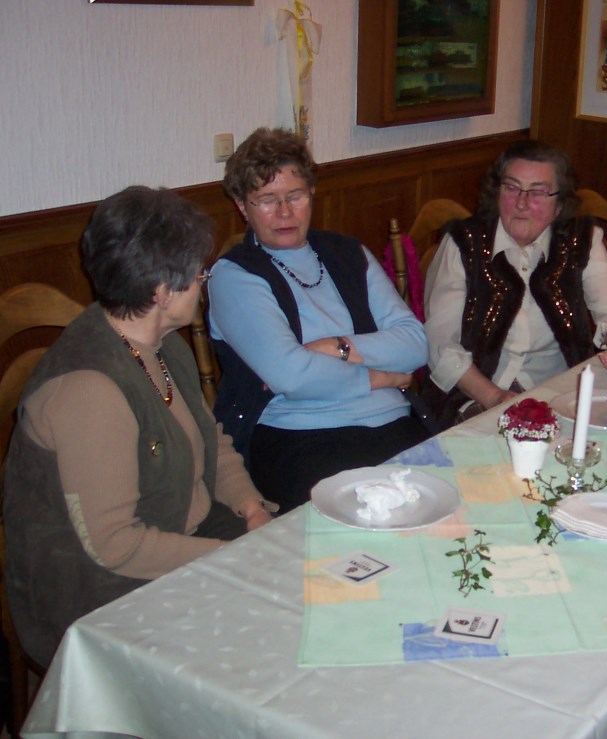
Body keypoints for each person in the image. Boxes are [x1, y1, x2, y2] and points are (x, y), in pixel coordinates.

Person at [3, 186, 274, 667]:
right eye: (198, 274)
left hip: (182, 536)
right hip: (100, 593)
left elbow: (210, 438)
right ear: (162, 293)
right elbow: (114, 545)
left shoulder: (162, 345)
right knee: (263, 642)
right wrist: (227, 555)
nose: (203, 283)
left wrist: (251, 509)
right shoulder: (90, 390)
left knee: (295, 579)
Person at [209, 128, 429, 512]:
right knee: (371, 526)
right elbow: (293, 377)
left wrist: (337, 347)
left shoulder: (348, 253)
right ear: (242, 206)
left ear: (311, 193)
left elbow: (415, 344)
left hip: (395, 420)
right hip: (300, 435)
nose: (284, 212)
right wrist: (380, 377)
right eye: (266, 200)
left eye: (295, 196)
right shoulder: (234, 276)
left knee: (452, 510)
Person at [422, 140, 607, 425]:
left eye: (538, 192)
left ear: (559, 204)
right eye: (511, 187)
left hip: (562, 388)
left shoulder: (581, 240)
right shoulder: (464, 243)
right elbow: (440, 344)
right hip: (477, 392)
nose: (521, 203)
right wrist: (493, 397)